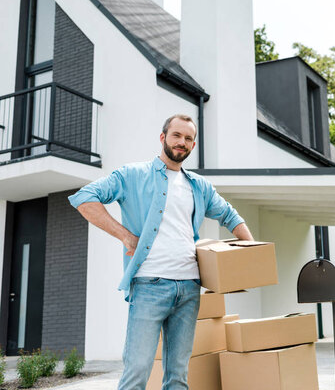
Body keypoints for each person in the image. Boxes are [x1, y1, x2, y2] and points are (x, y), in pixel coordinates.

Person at [68, 114, 253, 389]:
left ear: (192, 145)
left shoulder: (199, 186)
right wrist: (126, 237)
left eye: (188, 138)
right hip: (149, 285)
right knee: (137, 372)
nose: (182, 142)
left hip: (189, 288)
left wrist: (251, 252)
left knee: (178, 375)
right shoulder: (132, 175)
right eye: (177, 135)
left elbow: (230, 216)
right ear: (163, 137)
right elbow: (84, 198)